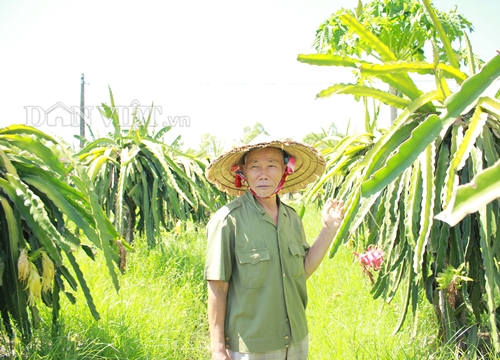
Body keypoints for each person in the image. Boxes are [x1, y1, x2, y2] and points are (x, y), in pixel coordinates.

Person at [204, 140, 344, 360]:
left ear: (284, 171)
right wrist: (218, 349)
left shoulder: (292, 218)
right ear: (243, 173)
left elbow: (301, 271)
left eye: (271, 165)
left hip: (296, 339)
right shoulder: (227, 220)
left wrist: (329, 229)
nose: (263, 174)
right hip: (252, 346)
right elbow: (217, 287)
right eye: (254, 166)